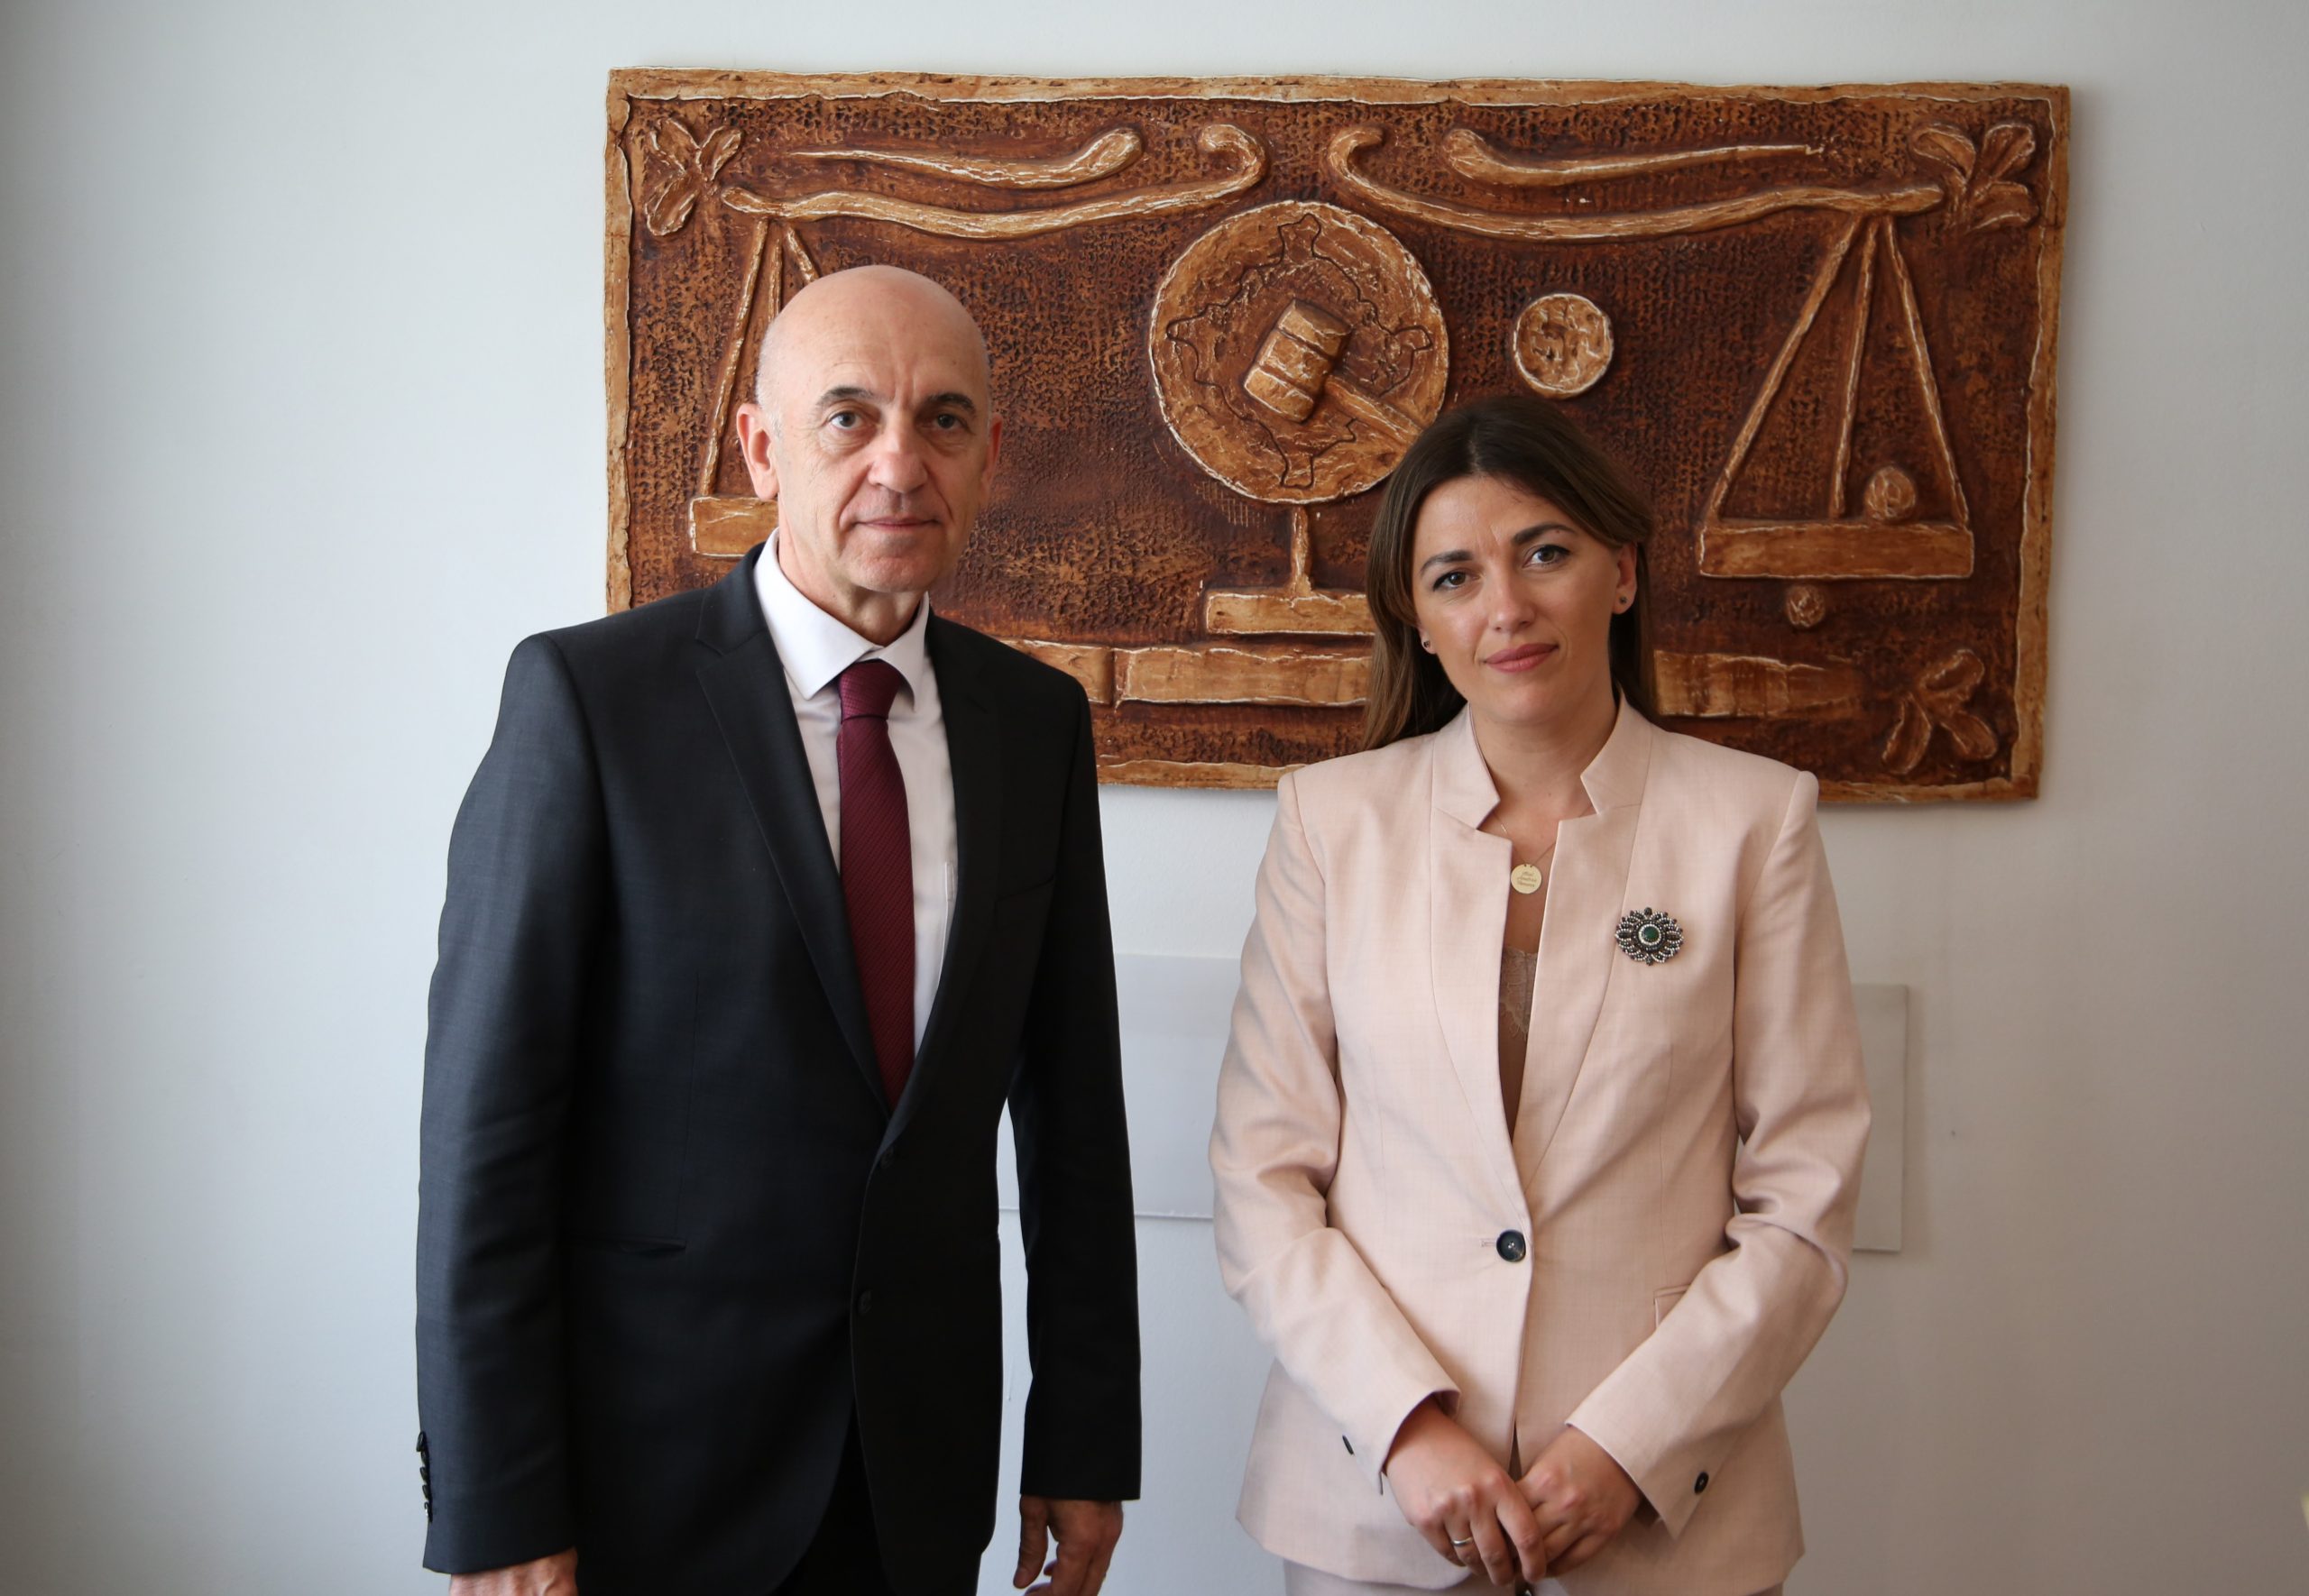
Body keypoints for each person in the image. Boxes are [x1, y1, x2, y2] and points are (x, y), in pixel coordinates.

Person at [417, 265, 1139, 1596]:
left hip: (918, 1480)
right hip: (644, 1480)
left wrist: (1086, 1432)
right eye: (848, 417)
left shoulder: (1036, 726)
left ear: (990, 456)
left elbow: (1074, 1114)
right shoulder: (590, 700)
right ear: (761, 447)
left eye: (942, 420)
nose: (898, 465)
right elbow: (489, 1135)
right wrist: (497, 1500)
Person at [1209, 393, 1869, 1596]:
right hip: (1378, 1509)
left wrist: (1629, 1446)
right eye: (1455, 576)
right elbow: (1265, 1178)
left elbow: (1805, 1195)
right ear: (1418, 619)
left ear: (1623, 572)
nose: (1505, 607)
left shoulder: (1754, 820)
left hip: (1665, 1526)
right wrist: (1406, 1428)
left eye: (1545, 553)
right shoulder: (1330, 824)